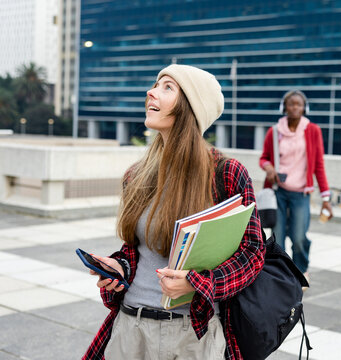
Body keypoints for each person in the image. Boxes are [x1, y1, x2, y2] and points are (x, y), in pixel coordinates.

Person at [83, 64, 265, 360]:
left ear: (190, 107)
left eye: (167, 87)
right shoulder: (137, 175)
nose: (151, 92)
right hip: (131, 328)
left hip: (192, 334)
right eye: (156, 84)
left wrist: (200, 282)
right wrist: (119, 268)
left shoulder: (226, 173)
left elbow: (253, 253)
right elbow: (137, 249)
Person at [259, 90, 333, 279]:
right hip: (278, 192)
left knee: (299, 237)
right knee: (278, 238)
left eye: (298, 104)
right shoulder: (274, 131)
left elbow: (318, 165)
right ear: (284, 107)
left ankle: (301, 271)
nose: (294, 108)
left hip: (301, 193)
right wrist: (269, 168)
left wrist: (326, 197)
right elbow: (264, 158)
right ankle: (281, 276)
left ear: (304, 108)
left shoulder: (312, 131)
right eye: (291, 104)